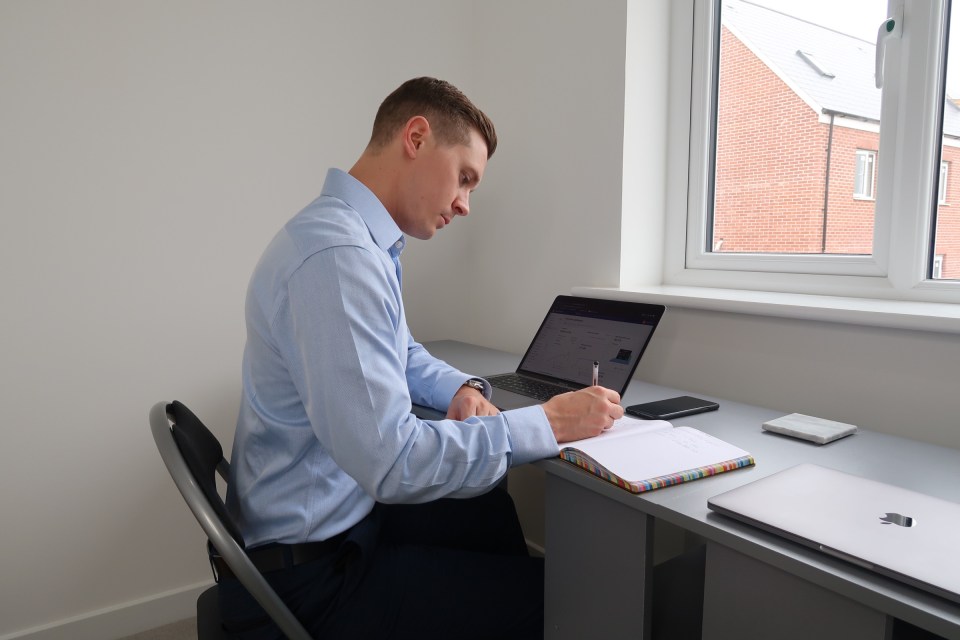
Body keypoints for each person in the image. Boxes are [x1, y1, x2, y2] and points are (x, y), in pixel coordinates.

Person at [222, 76, 624, 639]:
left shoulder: (356, 240)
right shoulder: (338, 257)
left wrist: (466, 389)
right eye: (464, 178)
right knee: (562, 604)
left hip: (332, 526)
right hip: (317, 578)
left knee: (487, 511)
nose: (464, 204)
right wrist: (549, 422)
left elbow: (402, 352)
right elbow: (394, 462)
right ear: (416, 137)